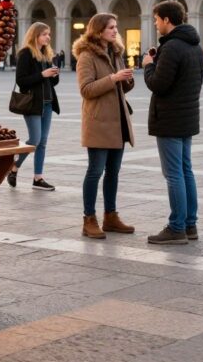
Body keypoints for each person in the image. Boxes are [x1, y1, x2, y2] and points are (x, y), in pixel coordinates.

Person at [143, 0, 203, 245]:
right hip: (187, 116)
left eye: (157, 19)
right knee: (186, 170)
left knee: (173, 174)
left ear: (167, 19)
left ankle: (176, 226)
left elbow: (158, 84)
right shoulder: (195, 47)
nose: (156, 24)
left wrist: (149, 67)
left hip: (169, 118)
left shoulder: (172, 48)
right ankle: (190, 224)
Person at [74, 13, 136, 239]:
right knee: (95, 171)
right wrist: (113, 79)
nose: (115, 30)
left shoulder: (116, 52)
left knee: (113, 172)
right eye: (111, 27)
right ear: (99, 30)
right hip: (99, 122)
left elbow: (120, 88)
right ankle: (88, 219)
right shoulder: (86, 56)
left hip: (118, 121)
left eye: (116, 27)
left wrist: (127, 80)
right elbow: (86, 90)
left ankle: (111, 216)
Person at [10, 22, 60, 191]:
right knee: (35, 139)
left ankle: (38, 178)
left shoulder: (46, 53)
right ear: (35, 35)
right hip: (33, 104)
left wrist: (53, 75)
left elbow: (52, 83)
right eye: (45, 34)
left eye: (49, 34)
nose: (48, 37)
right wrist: (42, 74)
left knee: (43, 142)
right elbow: (21, 81)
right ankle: (15, 165)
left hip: (47, 103)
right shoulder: (25, 54)